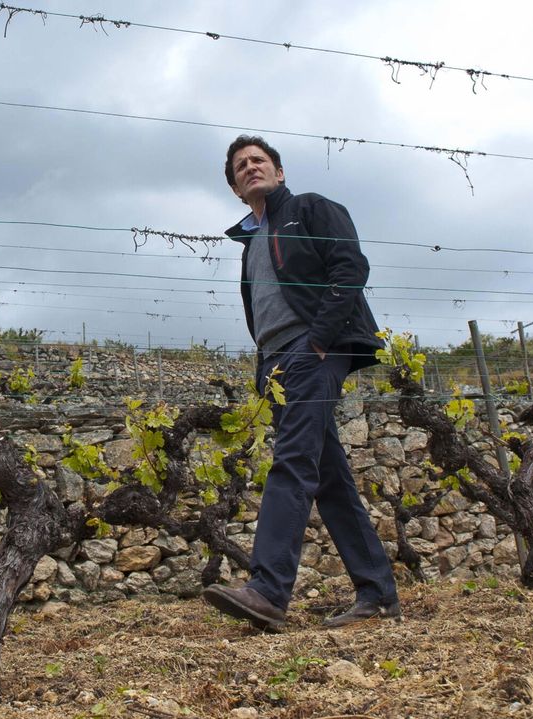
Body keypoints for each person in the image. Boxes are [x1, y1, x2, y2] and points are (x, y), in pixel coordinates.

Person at [200, 135, 400, 631]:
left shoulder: (310, 208)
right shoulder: (251, 242)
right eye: (241, 166)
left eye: (259, 161)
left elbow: (351, 266)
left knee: (291, 461)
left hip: (313, 352)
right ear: (234, 187)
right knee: (329, 477)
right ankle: (377, 593)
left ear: (279, 172)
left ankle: (268, 590)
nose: (251, 167)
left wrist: (319, 339)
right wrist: (268, 365)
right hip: (277, 363)